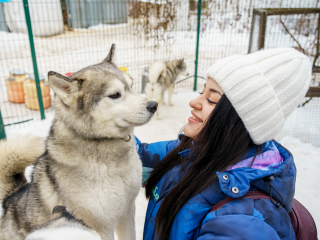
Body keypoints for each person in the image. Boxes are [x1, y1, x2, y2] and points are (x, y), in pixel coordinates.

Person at [135, 48, 311, 240]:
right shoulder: (194, 151)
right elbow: (134, 156)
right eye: (201, 92)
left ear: (241, 122)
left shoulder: (243, 224)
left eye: (211, 99)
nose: (194, 102)